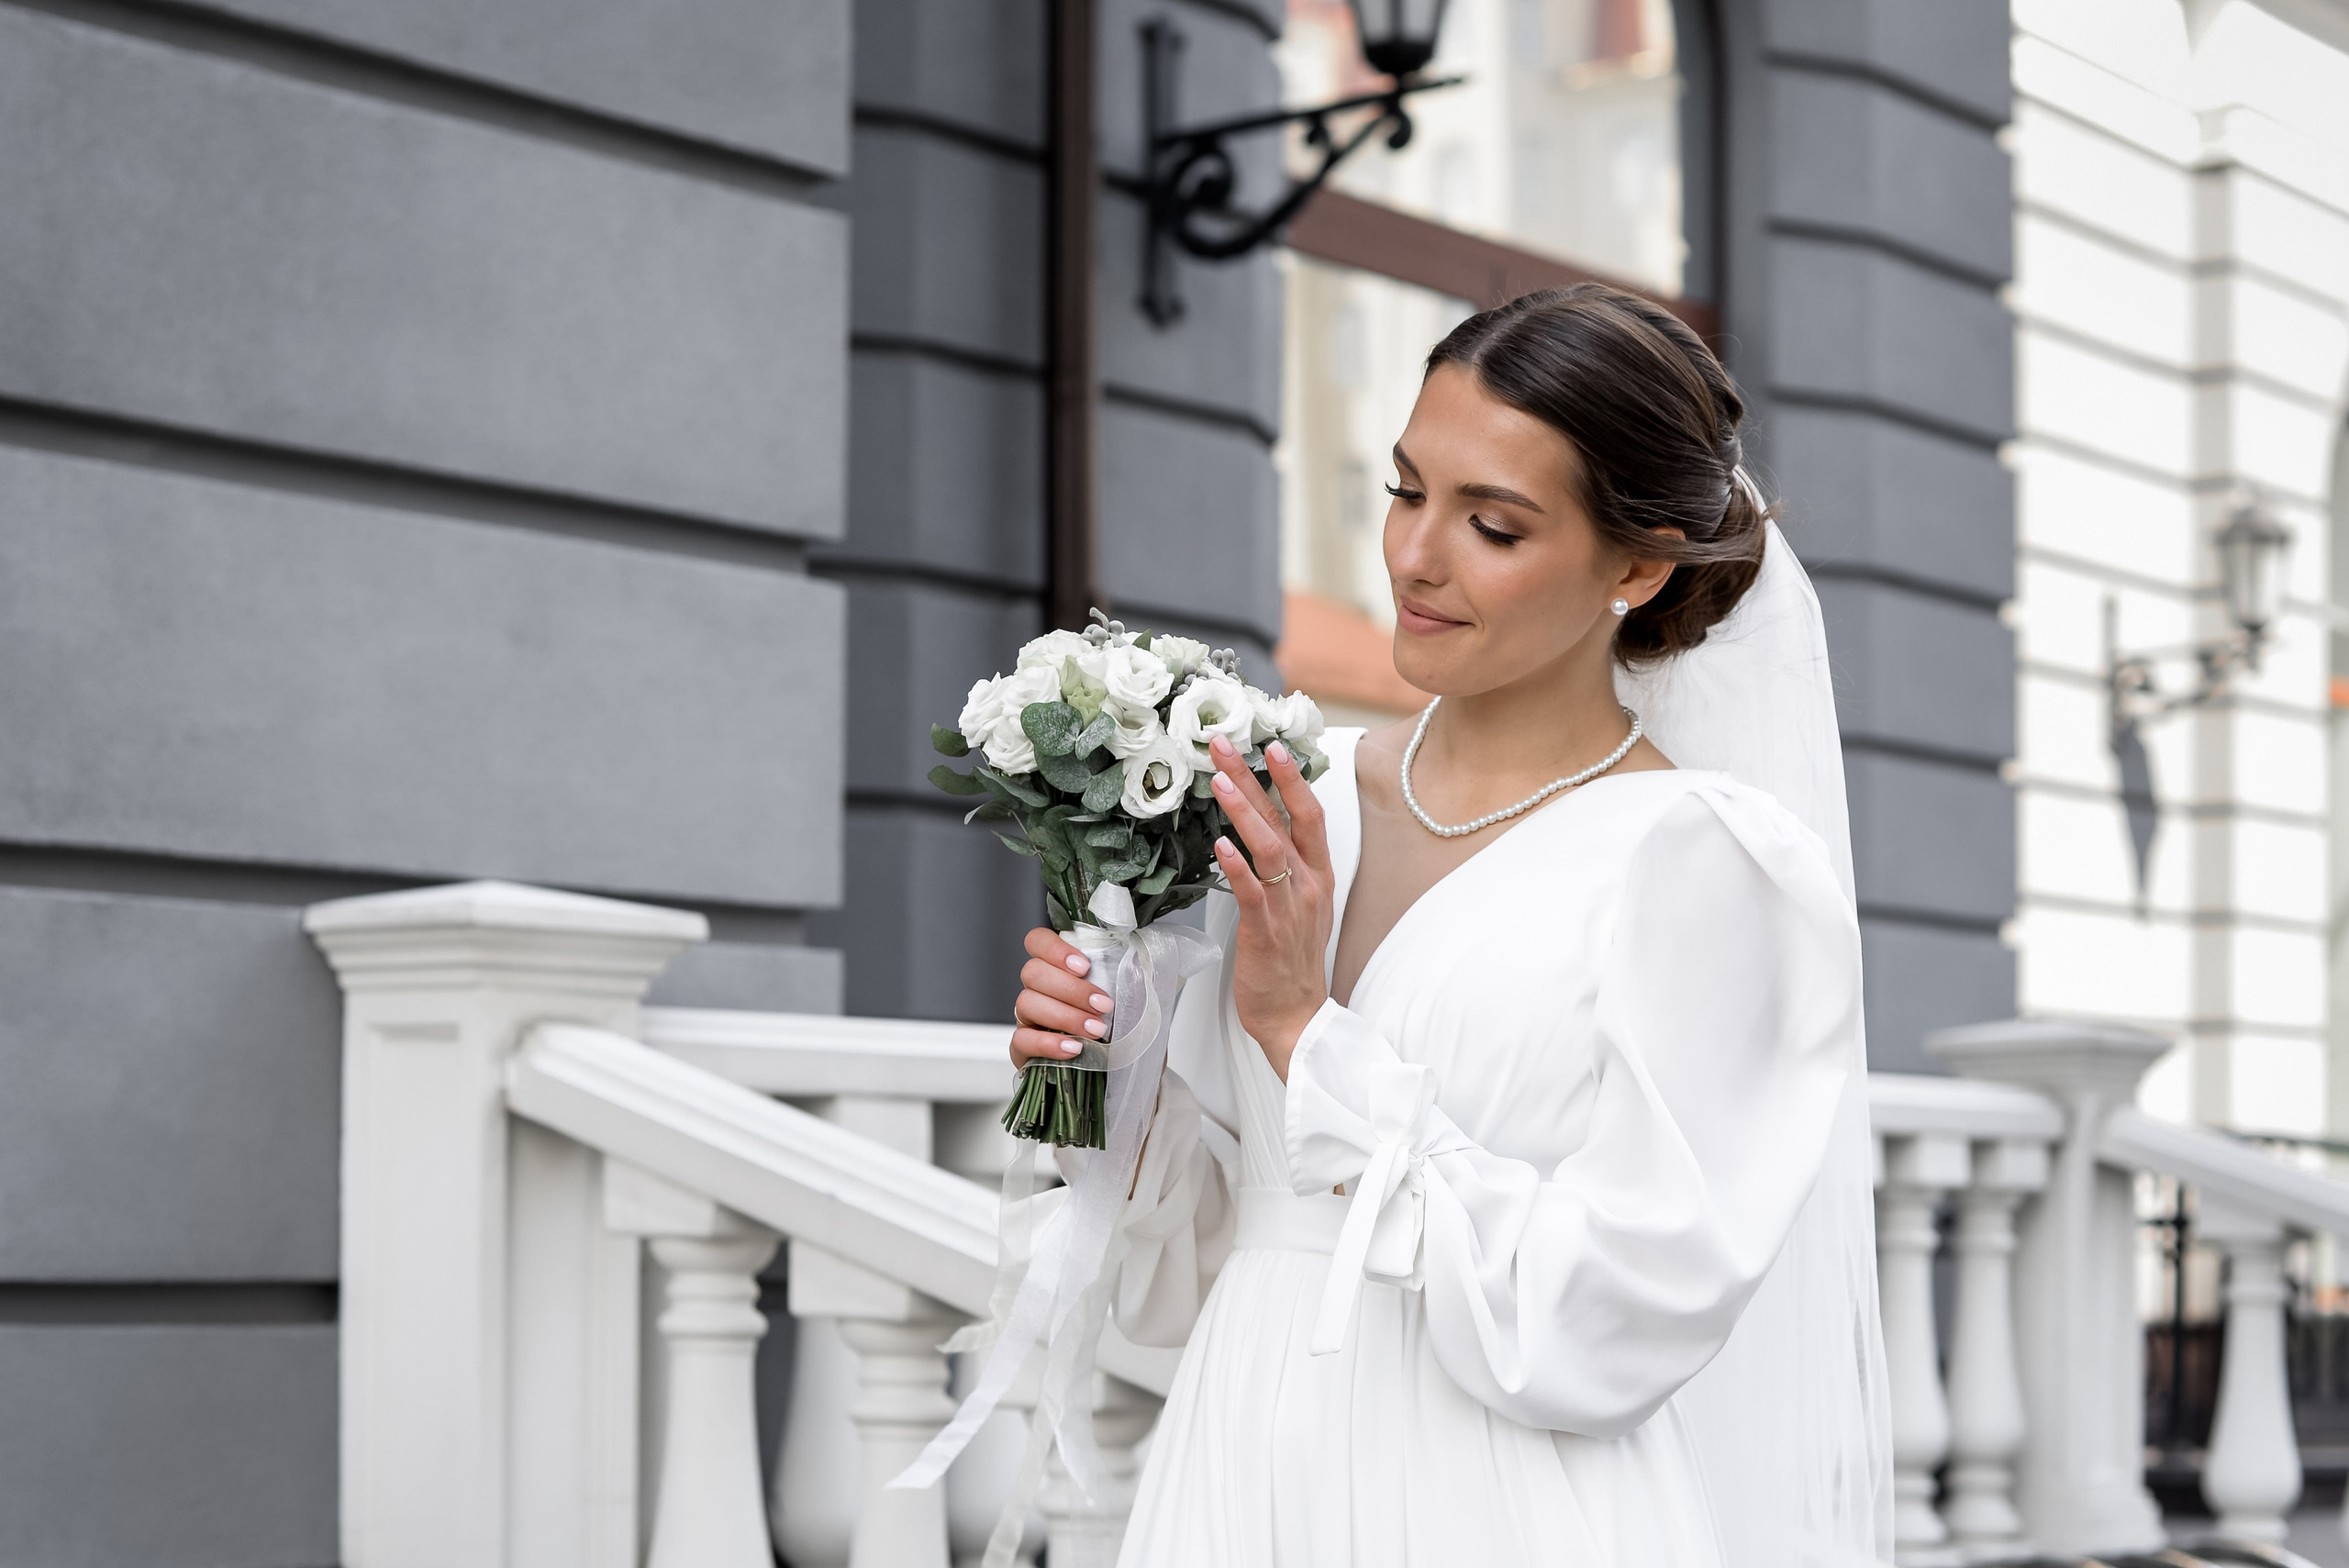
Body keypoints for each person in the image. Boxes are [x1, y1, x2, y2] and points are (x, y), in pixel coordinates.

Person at [1008, 284, 1892, 1566]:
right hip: (1239, 1464)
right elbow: (1206, 1252)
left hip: (1499, 1503)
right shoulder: (1296, 792)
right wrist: (1108, 1064)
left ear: (1637, 566)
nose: (1417, 556)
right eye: (1405, 489)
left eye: (1491, 523)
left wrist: (1308, 1034)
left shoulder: (1706, 864)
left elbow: (1609, 1316)